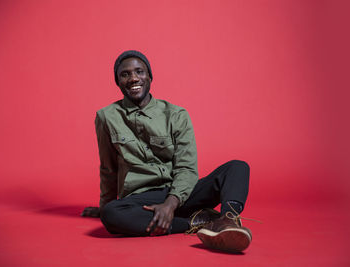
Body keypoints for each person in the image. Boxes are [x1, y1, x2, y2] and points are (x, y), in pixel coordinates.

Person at [82, 50, 252, 253]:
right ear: (117, 82)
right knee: (111, 215)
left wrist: (170, 204)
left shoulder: (176, 115)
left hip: (182, 192)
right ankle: (197, 222)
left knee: (237, 168)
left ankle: (227, 221)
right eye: (125, 74)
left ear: (150, 77)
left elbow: (187, 168)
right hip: (143, 198)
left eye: (139, 71)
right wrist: (104, 207)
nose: (133, 78)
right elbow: (108, 168)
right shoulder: (106, 117)